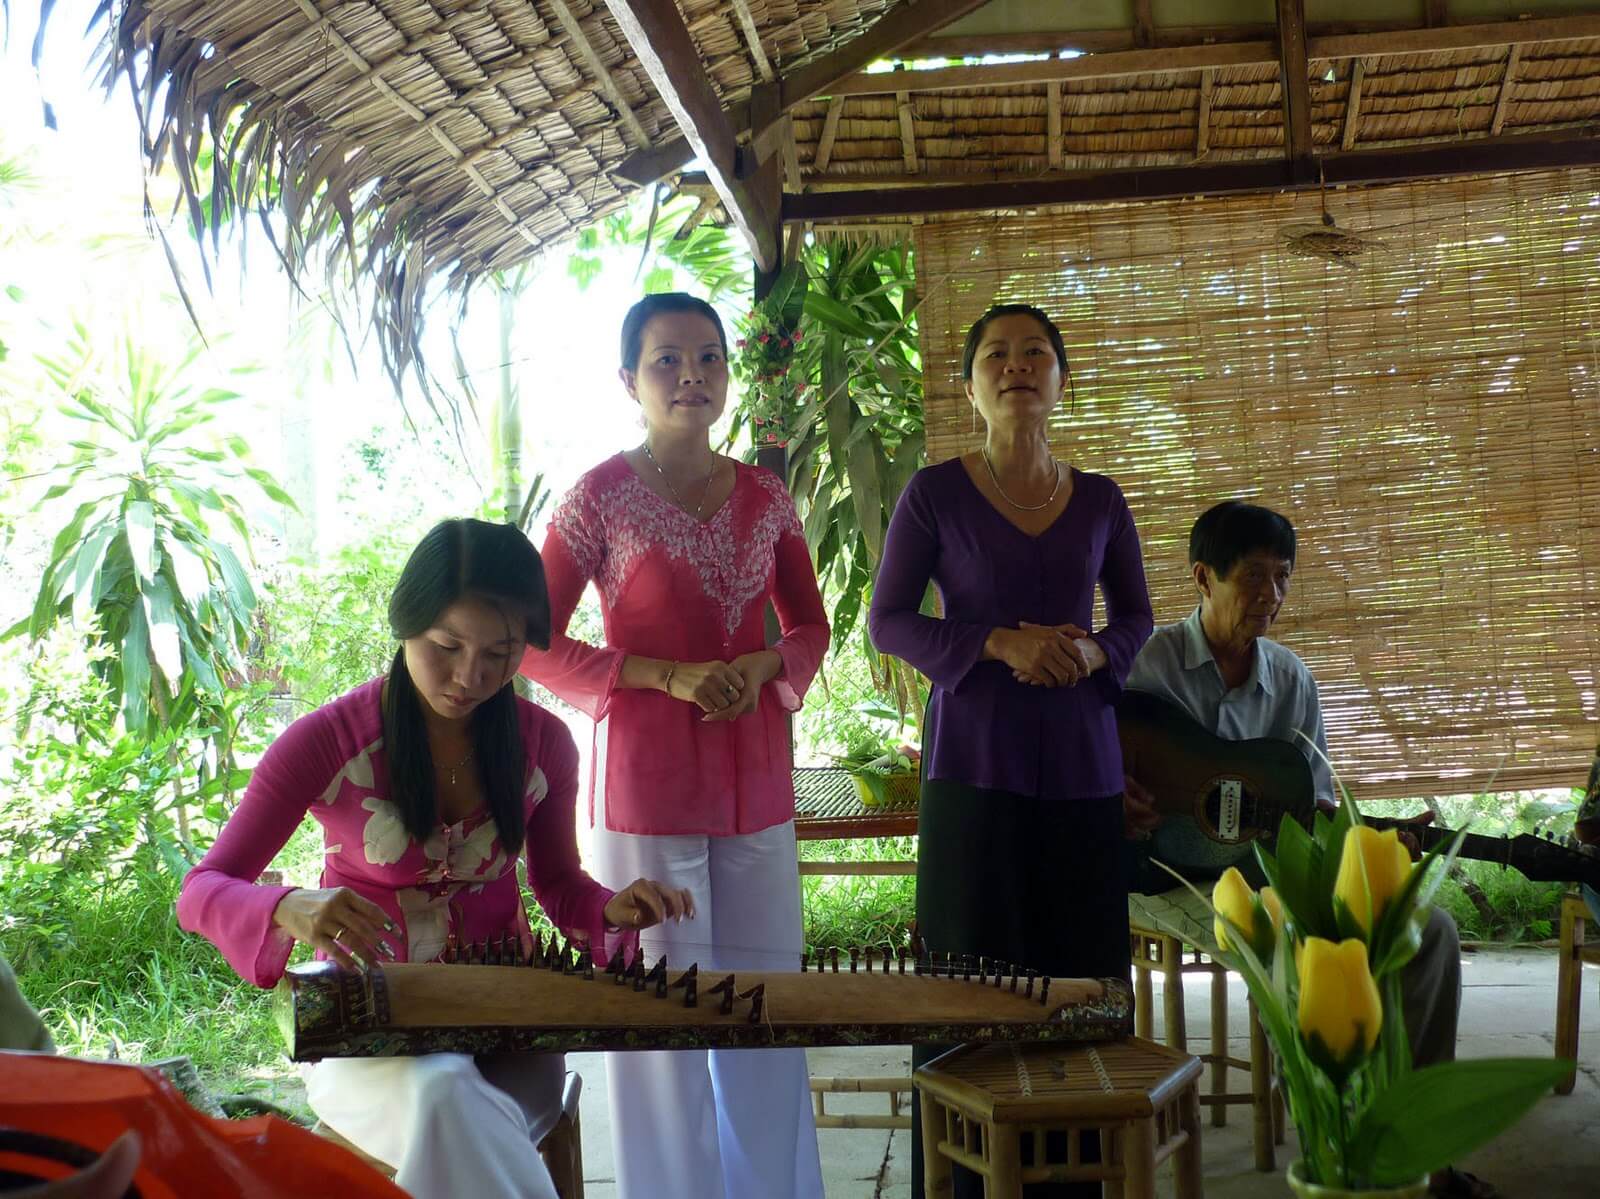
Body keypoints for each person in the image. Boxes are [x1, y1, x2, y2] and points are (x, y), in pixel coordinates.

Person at [177, 518, 690, 1199]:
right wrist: (286, 905)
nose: (471, 676)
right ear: (405, 624)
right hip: (367, 1027)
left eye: (501, 653)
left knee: (457, 1111)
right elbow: (200, 890)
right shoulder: (328, 742)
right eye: (446, 645)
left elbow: (560, 884)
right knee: (445, 1094)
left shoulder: (543, 746)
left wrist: (611, 908)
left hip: (507, 1024)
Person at [520, 292, 829, 1199]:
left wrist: (764, 661)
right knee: (660, 1024)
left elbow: (810, 627)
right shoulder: (596, 498)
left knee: (765, 1012)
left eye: (708, 358)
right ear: (629, 380)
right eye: (667, 359)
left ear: (728, 374)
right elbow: (531, 639)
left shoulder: (768, 495)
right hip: (646, 790)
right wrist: (663, 675)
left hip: (757, 784)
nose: (691, 375)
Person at [1124, 499, 1494, 1199]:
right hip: (1169, 875)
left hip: (1274, 872)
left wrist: (1371, 839)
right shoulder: (1145, 667)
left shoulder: (1290, 679)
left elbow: (1313, 808)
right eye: (1253, 576)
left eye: (1283, 577)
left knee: (1431, 934)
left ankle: (1421, 1147)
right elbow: (1085, 762)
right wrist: (1111, 794)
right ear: (1203, 577)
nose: (1271, 594)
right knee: (1293, 954)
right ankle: (1340, 1151)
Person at [868, 302, 1154, 1198]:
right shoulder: (934, 494)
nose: (1016, 366)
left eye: (1036, 353)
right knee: (970, 979)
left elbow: (1137, 617)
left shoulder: (1102, 499)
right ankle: (962, 1180)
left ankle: (1078, 1178)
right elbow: (888, 619)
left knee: (1081, 978)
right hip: (973, 766)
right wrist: (996, 642)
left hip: (1081, 766)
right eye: (996, 354)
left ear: (1063, 380)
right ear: (969, 386)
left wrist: (1095, 654)